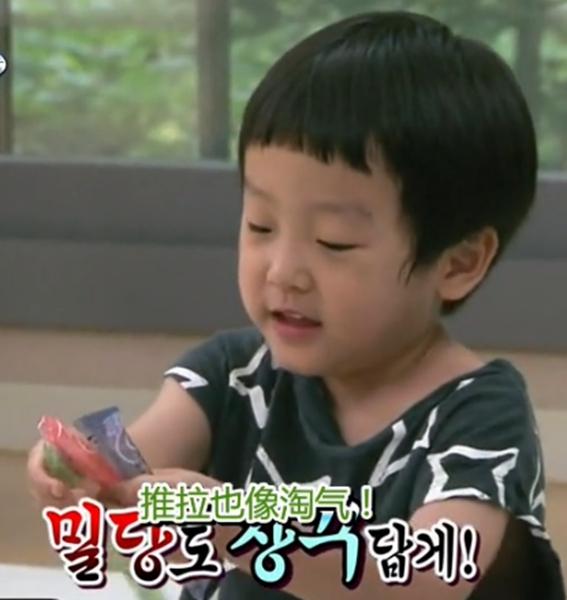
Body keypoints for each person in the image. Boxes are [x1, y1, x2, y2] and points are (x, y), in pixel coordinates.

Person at [27, 10, 565, 600]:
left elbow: (429, 576)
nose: (282, 271)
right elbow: (136, 469)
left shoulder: (478, 414)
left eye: (334, 242)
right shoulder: (232, 375)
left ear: (458, 263)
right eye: (261, 225)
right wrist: (84, 475)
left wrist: (239, 524)